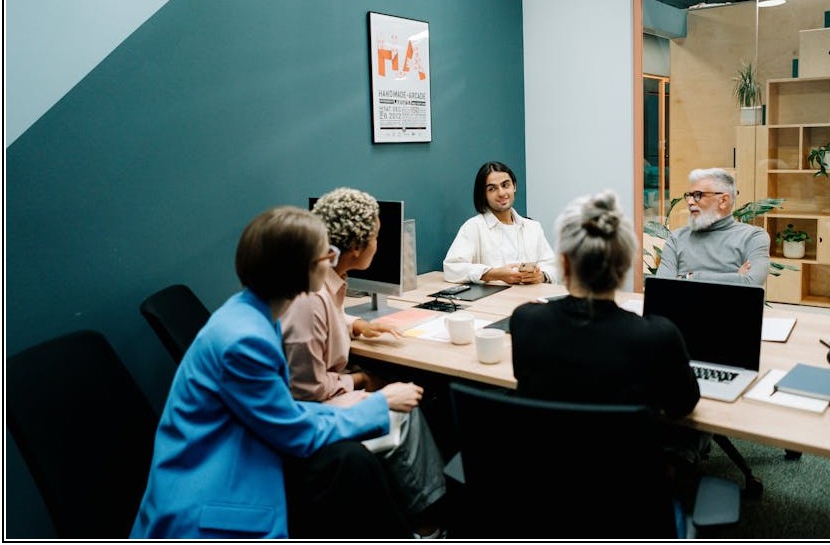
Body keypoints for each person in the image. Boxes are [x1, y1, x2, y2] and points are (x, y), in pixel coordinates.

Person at [131, 206, 421, 539]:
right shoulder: (245, 341)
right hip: (207, 505)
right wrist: (380, 402)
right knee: (351, 463)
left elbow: (281, 410)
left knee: (350, 463)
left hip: (235, 450)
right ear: (301, 271)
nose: (333, 259)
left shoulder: (250, 312)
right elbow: (296, 432)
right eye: (326, 254)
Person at [281, 188, 447, 537]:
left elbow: (327, 322)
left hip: (322, 396)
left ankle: (409, 505)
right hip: (310, 415)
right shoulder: (309, 297)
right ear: (355, 247)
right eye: (375, 236)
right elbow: (305, 391)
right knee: (408, 404)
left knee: (396, 388)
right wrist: (360, 380)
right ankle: (427, 517)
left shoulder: (324, 278)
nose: (378, 244)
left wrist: (357, 325)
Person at [509, 190, 699, 415]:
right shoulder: (659, 337)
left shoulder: (526, 321)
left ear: (565, 264)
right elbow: (682, 406)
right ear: (626, 265)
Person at [443, 161, 558, 285]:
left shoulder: (533, 228)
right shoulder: (473, 227)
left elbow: (552, 266)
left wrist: (542, 276)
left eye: (505, 185)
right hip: (494, 301)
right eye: (492, 189)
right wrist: (492, 274)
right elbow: (452, 268)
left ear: (514, 186)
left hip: (531, 298)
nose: (502, 193)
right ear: (484, 194)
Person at [657, 167, 770, 287]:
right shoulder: (677, 238)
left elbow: (751, 284)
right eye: (689, 195)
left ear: (723, 201)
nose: (690, 202)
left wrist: (689, 277)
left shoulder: (753, 237)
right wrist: (735, 279)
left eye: (698, 195)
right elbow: (662, 288)